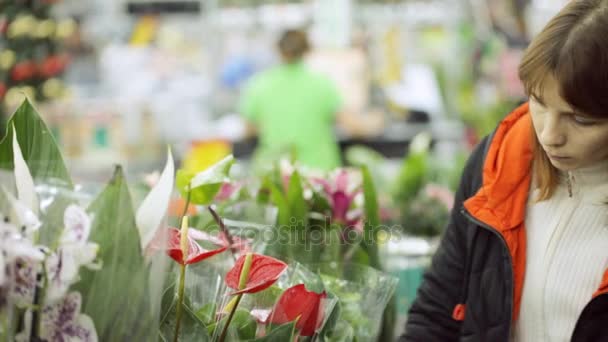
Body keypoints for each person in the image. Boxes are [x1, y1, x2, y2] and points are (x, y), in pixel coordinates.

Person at [401, 1, 608, 341]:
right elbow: (438, 310)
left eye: (581, 119)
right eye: (538, 102)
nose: (550, 135)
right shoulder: (498, 162)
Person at [240, 29, 342, 171]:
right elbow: (347, 121)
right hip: (318, 172)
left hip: (274, 172)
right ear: (307, 49)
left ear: (278, 50)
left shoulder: (259, 84)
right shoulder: (322, 83)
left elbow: (248, 130)